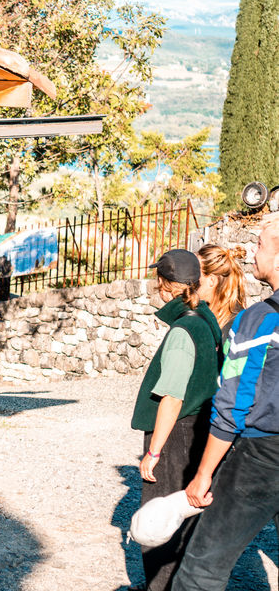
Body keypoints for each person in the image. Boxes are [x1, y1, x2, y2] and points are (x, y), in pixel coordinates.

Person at [172, 216, 279, 591]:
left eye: (263, 245)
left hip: (262, 454)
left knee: (202, 568)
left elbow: (232, 404)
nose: (253, 252)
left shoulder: (257, 321)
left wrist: (203, 475)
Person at [129, 249, 223, 591]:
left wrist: (154, 452)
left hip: (176, 435)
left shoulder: (183, 330)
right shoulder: (207, 319)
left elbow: (172, 396)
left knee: (159, 521)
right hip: (199, 429)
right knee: (185, 518)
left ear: (163, 285)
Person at [195, 244, 246, 337]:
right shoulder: (205, 313)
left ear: (212, 281)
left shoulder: (235, 326)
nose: (191, 280)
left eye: (196, 274)